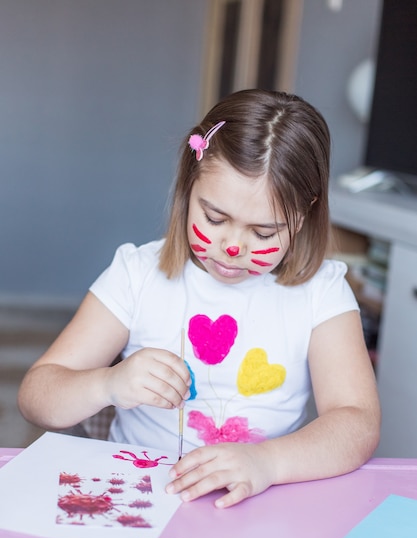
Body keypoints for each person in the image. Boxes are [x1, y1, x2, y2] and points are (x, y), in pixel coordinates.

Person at [18, 89, 381, 509]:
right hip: (139, 500)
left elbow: (358, 422)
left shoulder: (321, 292)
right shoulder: (137, 274)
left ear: (304, 214)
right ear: (190, 187)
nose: (232, 247)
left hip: (258, 504)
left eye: (263, 233)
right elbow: (36, 397)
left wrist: (268, 462)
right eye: (214, 217)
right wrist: (108, 383)